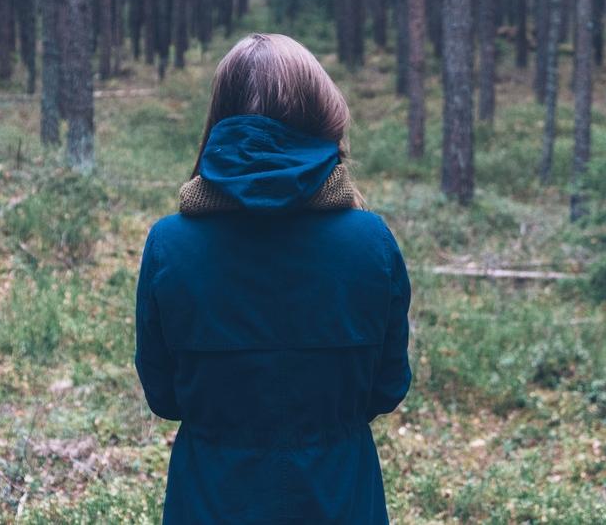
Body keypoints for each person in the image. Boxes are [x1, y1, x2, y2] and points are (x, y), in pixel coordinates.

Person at [135, 33, 412, 524]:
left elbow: (164, 398)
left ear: (219, 117)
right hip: (340, 499)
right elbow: (387, 389)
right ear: (320, 114)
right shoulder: (371, 242)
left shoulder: (169, 245)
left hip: (212, 501)